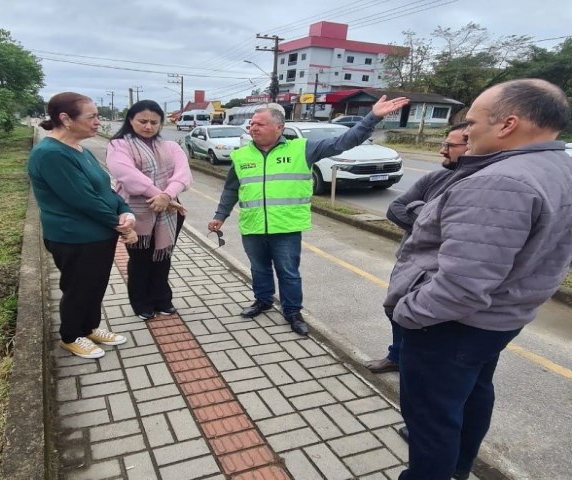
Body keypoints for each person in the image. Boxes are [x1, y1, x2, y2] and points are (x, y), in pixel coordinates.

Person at [385, 78, 572, 480]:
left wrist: (408, 314)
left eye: (471, 122)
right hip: (502, 317)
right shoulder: (561, 166)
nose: (465, 132)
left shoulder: (499, 181)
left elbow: (461, 286)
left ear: (507, 124)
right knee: (472, 393)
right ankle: (458, 468)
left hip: (452, 326)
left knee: (431, 420)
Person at [207, 96, 409, 335]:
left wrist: (372, 116)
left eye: (259, 124)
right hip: (252, 225)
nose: (253, 128)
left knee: (288, 272)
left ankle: (292, 311)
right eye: (252, 124)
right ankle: (263, 300)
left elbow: (344, 141)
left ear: (278, 127)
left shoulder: (302, 149)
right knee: (258, 269)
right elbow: (232, 189)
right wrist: (221, 215)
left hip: (287, 227)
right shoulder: (242, 156)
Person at [28, 92, 136, 359]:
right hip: (74, 237)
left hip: (98, 236)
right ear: (65, 119)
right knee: (78, 287)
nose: (98, 122)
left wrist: (126, 211)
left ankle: (88, 328)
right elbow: (84, 200)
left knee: (95, 285)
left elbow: (105, 189)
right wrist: (121, 225)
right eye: (92, 117)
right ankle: (71, 335)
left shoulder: (80, 149)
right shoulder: (50, 154)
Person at [365, 122, 469, 374]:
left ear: (472, 145)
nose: (442, 151)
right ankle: (397, 356)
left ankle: (417, 365)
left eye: (450, 145)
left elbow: (464, 233)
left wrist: (421, 219)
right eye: (443, 144)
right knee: (396, 312)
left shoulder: (479, 184)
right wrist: (433, 226)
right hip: (410, 264)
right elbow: (396, 208)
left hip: (443, 271)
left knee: (428, 324)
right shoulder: (435, 178)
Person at [106, 100, 192, 320]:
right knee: (140, 260)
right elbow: (127, 175)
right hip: (135, 213)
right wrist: (159, 194)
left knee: (163, 257)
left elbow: (183, 175)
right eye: (142, 121)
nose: (148, 126)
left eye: (154, 122)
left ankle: (163, 300)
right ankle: (141, 303)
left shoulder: (171, 146)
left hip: (169, 211)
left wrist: (167, 196)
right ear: (130, 120)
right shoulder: (119, 145)